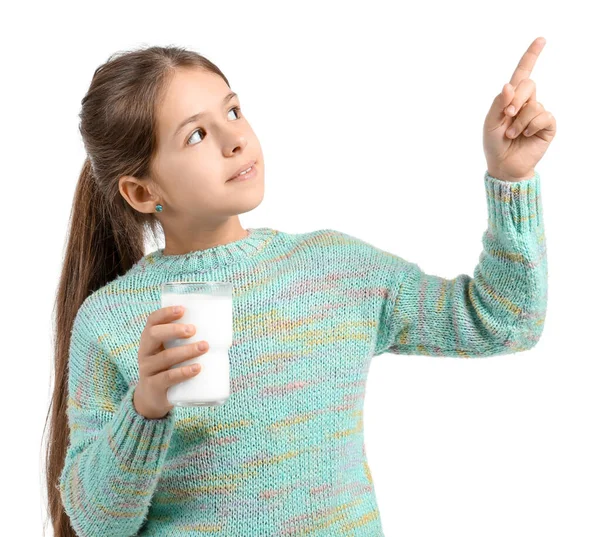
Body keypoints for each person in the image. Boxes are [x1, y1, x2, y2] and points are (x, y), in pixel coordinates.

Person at [44, 40, 553, 537]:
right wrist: (145, 407)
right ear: (142, 191)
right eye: (196, 135)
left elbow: (503, 322)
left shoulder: (334, 270)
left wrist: (511, 178)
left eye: (234, 110)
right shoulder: (109, 321)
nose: (235, 139)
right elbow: (97, 523)